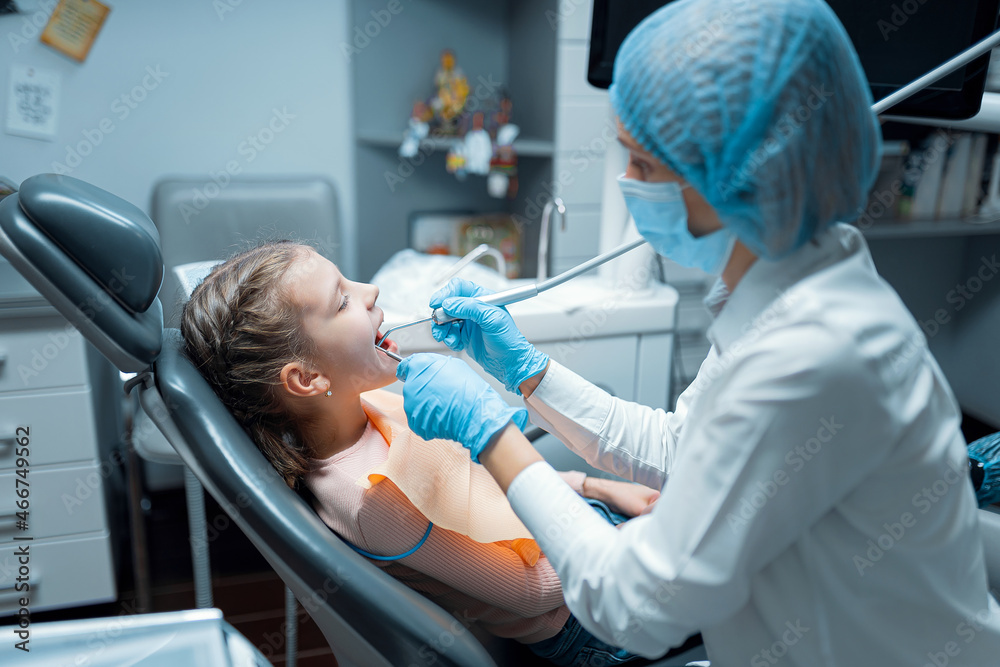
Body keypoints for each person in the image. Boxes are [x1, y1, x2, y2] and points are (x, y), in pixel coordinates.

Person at [392, 0, 1000, 664]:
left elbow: (636, 605)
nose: (627, 184)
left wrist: (493, 436)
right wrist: (526, 371)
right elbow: (681, 446)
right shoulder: (786, 282)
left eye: (645, 166)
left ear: (741, 172)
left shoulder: (812, 353)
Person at [179, 240, 656, 665]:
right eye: (343, 300)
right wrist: (639, 540)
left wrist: (597, 489)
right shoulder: (373, 500)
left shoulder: (367, 408)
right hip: (585, 617)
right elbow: (530, 594)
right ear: (307, 379)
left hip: (586, 535)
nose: (371, 291)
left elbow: (490, 488)